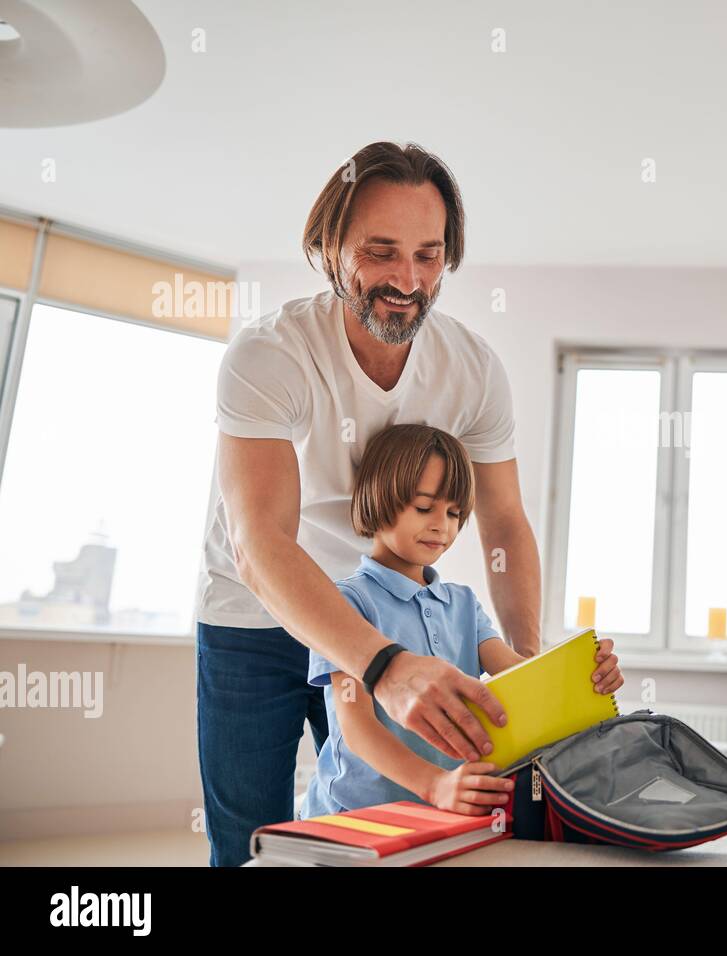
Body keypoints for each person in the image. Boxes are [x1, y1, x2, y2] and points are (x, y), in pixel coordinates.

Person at [196, 141, 543, 865]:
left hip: (374, 609)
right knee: (247, 840)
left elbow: (505, 523)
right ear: (329, 249)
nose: (407, 280)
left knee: (373, 825)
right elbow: (259, 543)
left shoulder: (473, 371)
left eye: (428, 254)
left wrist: (532, 674)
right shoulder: (271, 356)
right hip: (253, 613)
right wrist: (382, 666)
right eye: (380, 252)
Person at [301, 424, 623, 818]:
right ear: (378, 500)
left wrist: (585, 676)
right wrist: (433, 784)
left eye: (454, 513)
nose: (443, 525)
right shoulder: (347, 602)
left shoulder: (463, 604)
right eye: (424, 508)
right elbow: (358, 731)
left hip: (442, 812)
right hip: (355, 815)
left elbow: (520, 675)